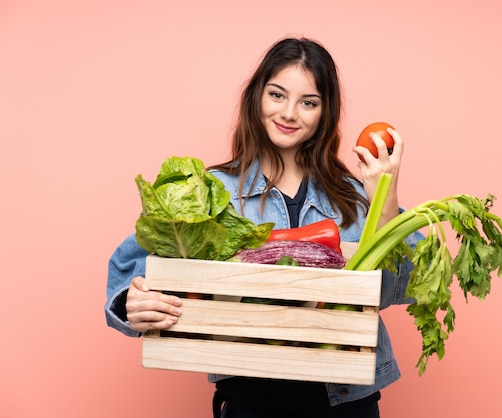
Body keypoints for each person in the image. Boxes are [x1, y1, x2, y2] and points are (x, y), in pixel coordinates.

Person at [105, 37, 422, 418]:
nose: (289, 113)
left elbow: (405, 288)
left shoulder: (356, 195)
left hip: (344, 401)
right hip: (249, 399)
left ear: (325, 113)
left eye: (309, 102)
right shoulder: (211, 190)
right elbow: (132, 270)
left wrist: (385, 199)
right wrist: (131, 302)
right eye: (277, 95)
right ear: (256, 97)